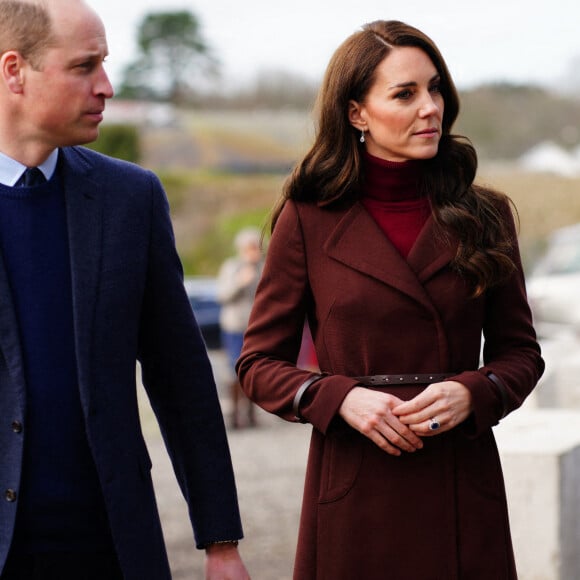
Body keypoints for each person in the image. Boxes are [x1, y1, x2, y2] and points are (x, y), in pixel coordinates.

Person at [237, 20, 545, 580]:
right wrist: (336, 397)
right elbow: (258, 365)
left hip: (459, 479)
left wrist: (474, 391)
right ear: (357, 113)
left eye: (435, 89)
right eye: (405, 94)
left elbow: (521, 354)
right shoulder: (306, 218)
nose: (430, 107)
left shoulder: (486, 215)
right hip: (356, 485)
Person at [0, 1, 250, 579]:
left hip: (110, 547)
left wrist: (221, 541)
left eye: (105, 64)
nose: (107, 86)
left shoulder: (130, 198)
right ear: (15, 71)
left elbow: (181, 374)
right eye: (85, 66)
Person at [216, 228, 263, 429]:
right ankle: (234, 416)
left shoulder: (264, 267)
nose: (254, 251)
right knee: (234, 370)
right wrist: (239, 282)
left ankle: (251, 415)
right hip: (235, 327)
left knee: (255, 369)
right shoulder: (232, 267)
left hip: (255, 327)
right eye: (250, 247)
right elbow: (222, 295)